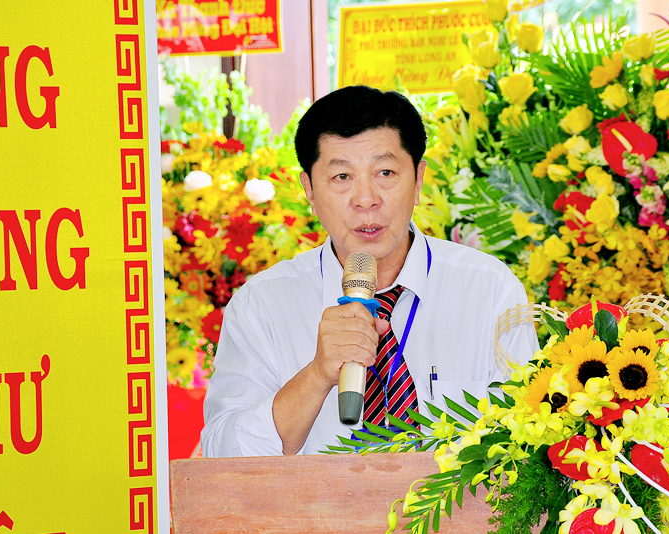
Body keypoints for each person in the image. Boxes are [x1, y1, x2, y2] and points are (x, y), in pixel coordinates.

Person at [201, 85, 540, 457]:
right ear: (309, 190)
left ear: (418, 179)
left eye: (385, 172)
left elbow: (532, 436)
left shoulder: (489, 290)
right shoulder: (262, 305)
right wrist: (317, 375)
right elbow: (222, 456)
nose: (366, 200)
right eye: (342, 177)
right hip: (316, 500)